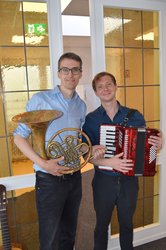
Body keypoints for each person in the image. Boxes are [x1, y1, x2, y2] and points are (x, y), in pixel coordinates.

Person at [13, 52, 104, 250]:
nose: (70, 74)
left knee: (68, 234)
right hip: (48, 180)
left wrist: (90, 148)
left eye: (75, 70)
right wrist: (44, 163)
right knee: (50, 236)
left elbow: (76, 140)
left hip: (74, 177)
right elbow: (19, 137)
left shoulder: (81, 106)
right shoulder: (40, 99)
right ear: (58, 72)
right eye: (65, 70)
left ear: (81, 73)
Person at [82, 71, 162, 250]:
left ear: (116, 86)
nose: (105, 89)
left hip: (129, 182)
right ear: (96, 92)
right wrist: (104, 159)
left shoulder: (134, 115)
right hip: (103, 182)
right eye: (100, 86)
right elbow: (85, 156)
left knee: (127, 224)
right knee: (101, 226)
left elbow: (147, 151)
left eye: (109, 84)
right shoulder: (91, 120)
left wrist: (158, 145)